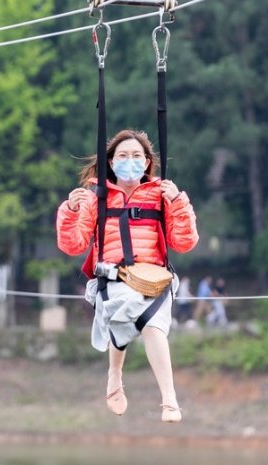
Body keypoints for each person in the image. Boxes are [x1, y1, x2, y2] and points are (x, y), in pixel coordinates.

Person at [56, 129, 198, 423]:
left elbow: (183, 243)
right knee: (131, 309)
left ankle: (169, 398)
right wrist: (71, 210)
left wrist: (178, 203)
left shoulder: (161, 194)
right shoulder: (97, 198)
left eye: (136, 156)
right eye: (122, 155)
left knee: (153, 325)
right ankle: (115, 374)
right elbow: (73, 245)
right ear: (110, 162)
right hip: (113, 280)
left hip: (154, 280)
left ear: (147, 162)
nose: (130, 161)